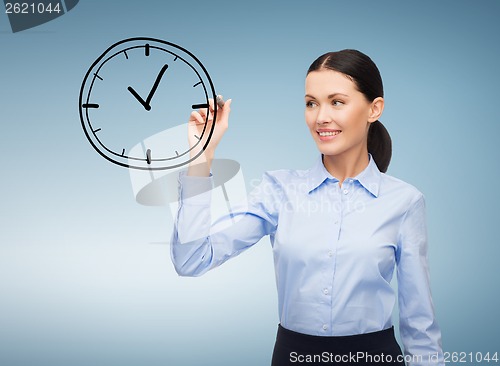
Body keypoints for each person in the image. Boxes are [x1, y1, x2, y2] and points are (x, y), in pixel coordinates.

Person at [170, 49, 444, 365]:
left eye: (337, 102)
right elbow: (191, 260)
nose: (320, 117)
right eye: (311, 103)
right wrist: (201, 157)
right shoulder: (278, 190)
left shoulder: (404, 201)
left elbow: (419, 323)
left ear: (374, 109)